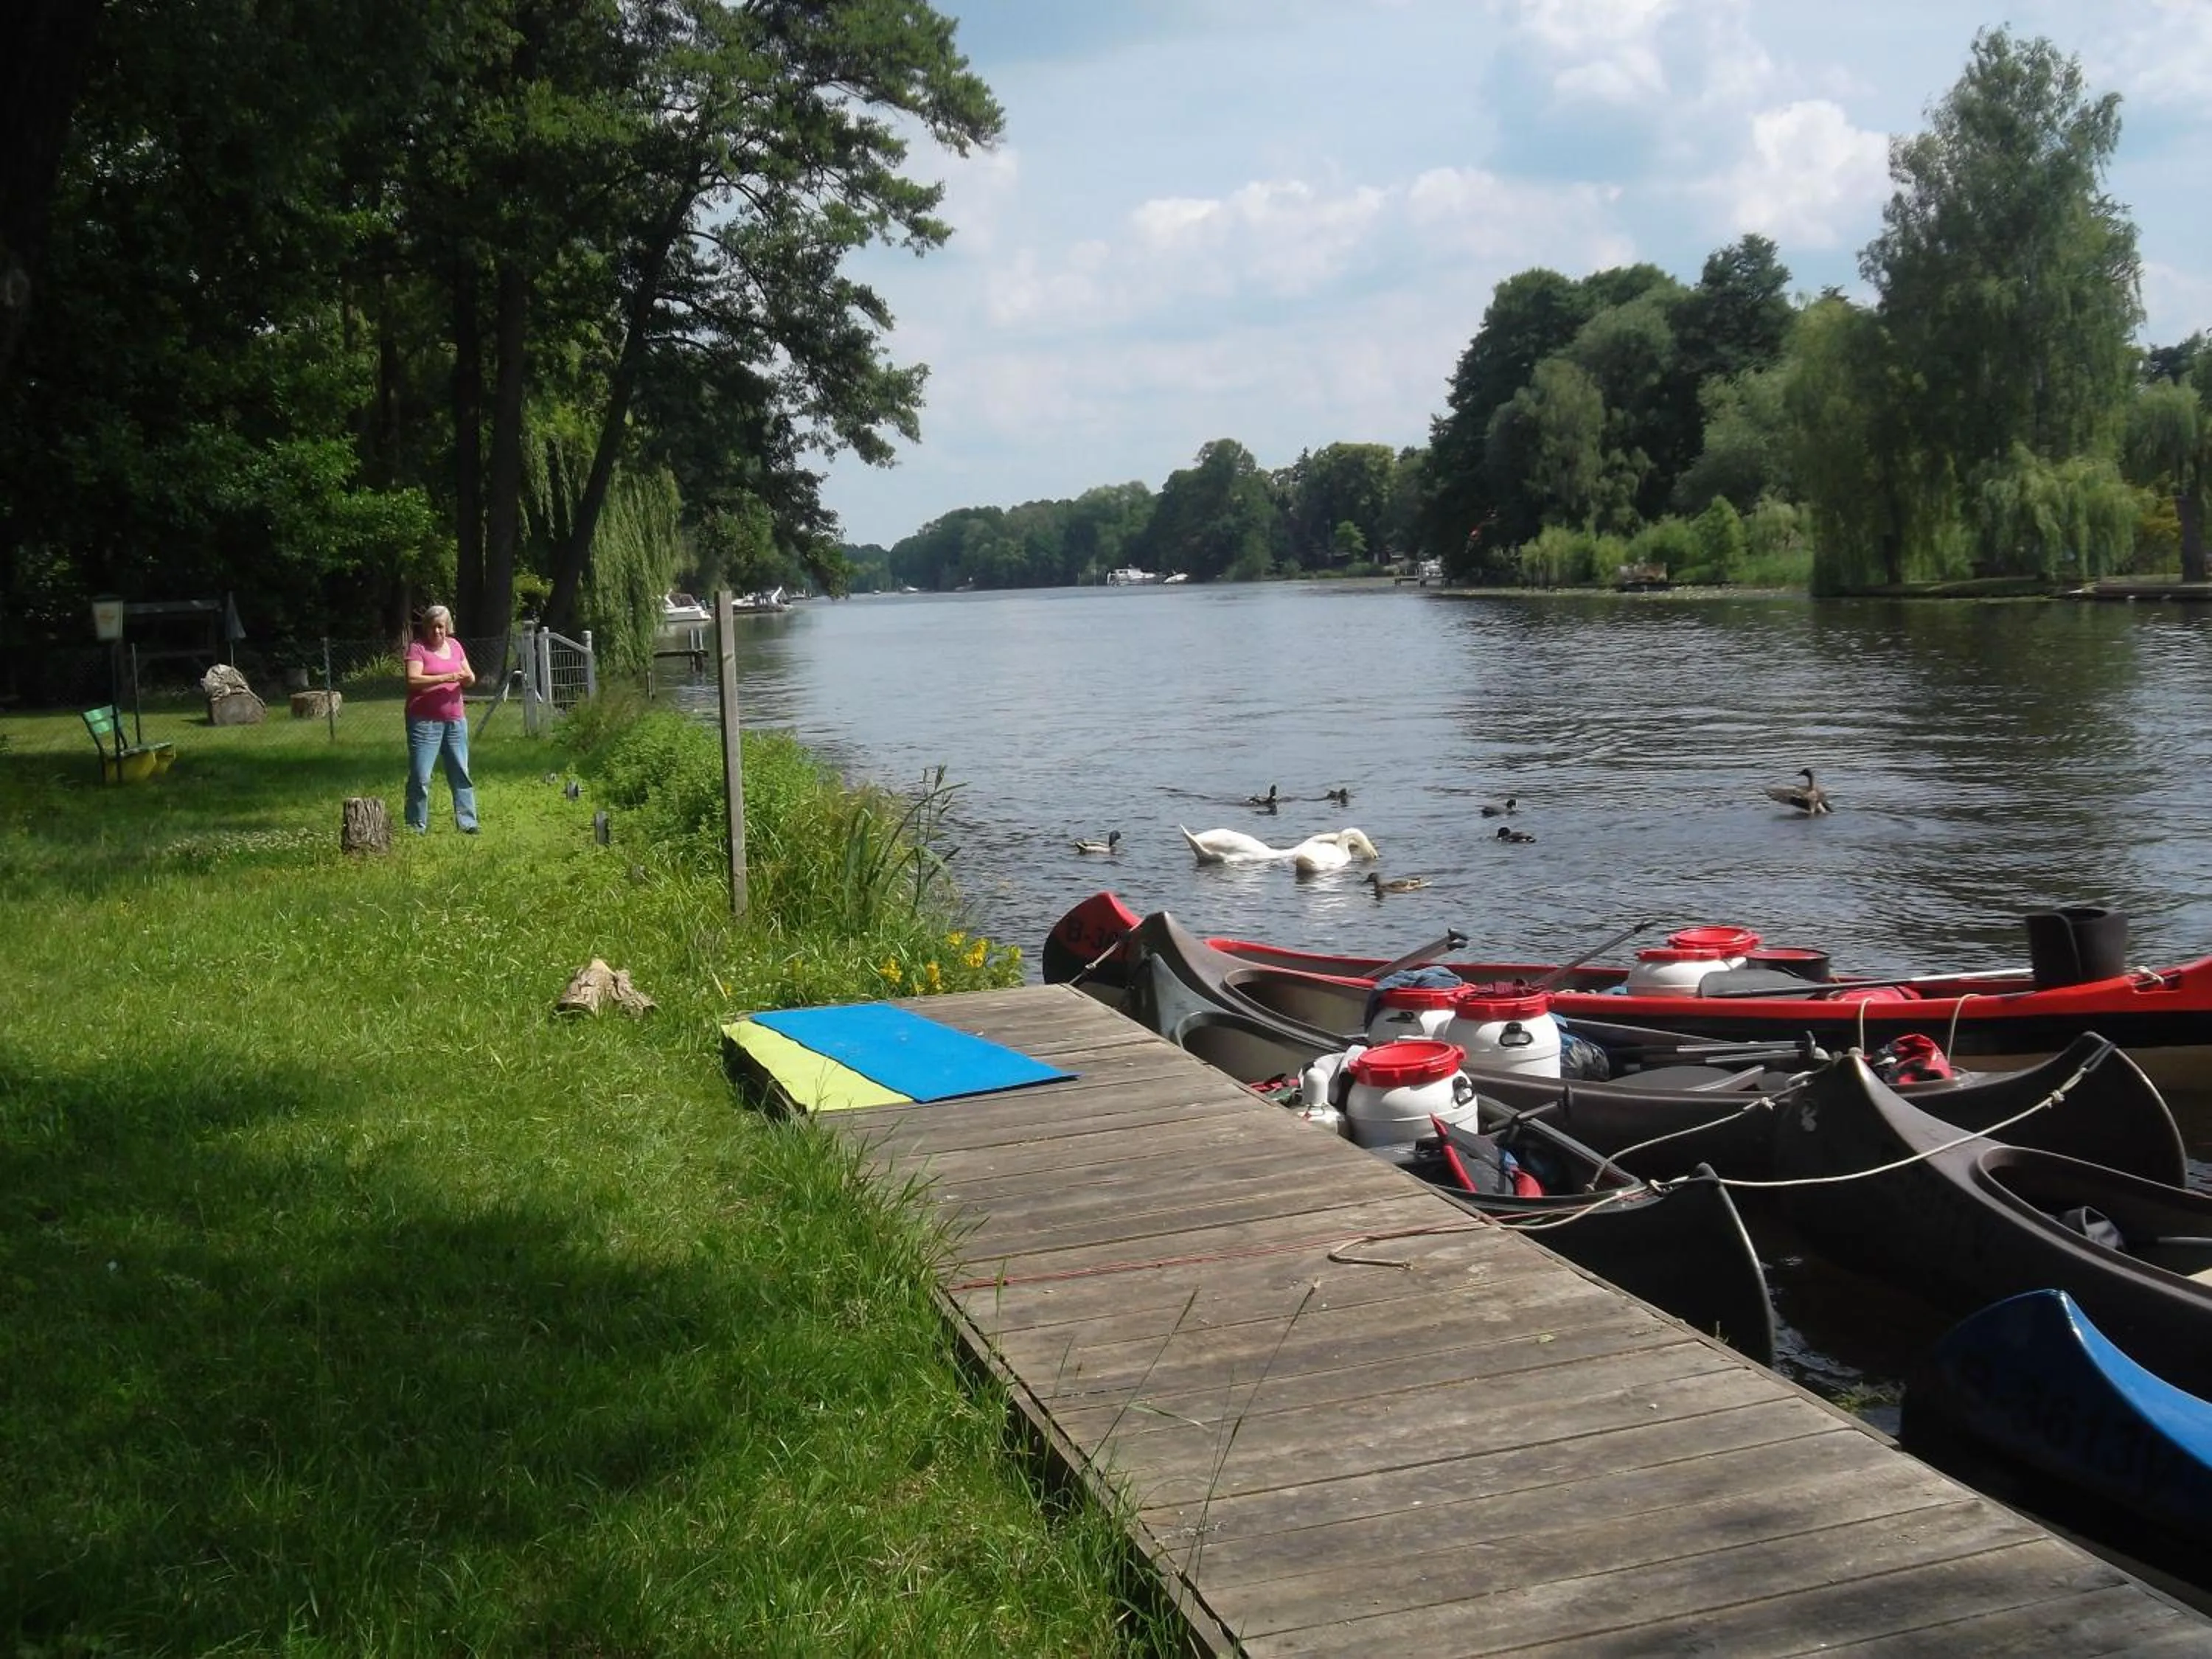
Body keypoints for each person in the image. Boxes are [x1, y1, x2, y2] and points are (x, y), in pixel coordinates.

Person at [403, 605, 479, 832]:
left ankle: (468, 824)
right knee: (421, 776)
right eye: (432, 627)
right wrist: (446, 677)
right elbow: (413, 680)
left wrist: (466, 679)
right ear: (425, 627)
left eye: (441, 627)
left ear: (447, 628)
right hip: (424, 722)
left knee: (460, 773)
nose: (437, 631)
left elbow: (470, 677)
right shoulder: (417, 649)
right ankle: (416, 826)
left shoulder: (455, 646)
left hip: (455, 720)